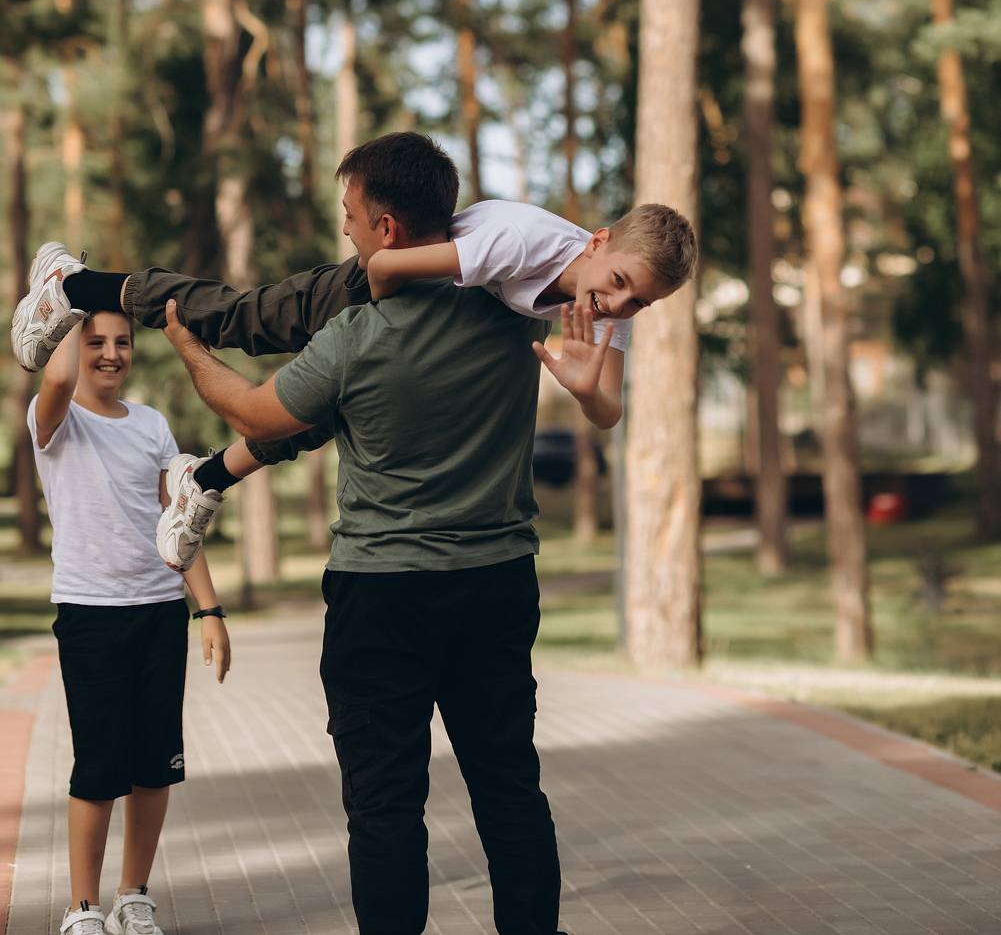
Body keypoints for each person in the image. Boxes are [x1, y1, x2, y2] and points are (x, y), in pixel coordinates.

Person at [155, 131, 576, 935]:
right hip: (495, 586)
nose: (344, 229)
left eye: (350, 216)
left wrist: (187, 347)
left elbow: (252, 415)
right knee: (509, 789)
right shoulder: (509, 311)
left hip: (381, 597)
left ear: (386, 229)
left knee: (383, 805)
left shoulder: (353, 337)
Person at [11, 135, 696, 568]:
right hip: (385, 277)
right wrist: (376, 325)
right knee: (242, 322)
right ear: (598, 242)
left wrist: (584, 389)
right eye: (619, 284)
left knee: (332, 409)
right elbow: (387, 267)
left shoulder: (605, 311)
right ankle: (73, 285)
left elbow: (608, 411)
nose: (620, 306)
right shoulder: (519, 241)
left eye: (639, 302)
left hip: (429, 286)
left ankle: (207, 478)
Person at [29, 309, 231, 935]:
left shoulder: (151, 425)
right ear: (74, 343)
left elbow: (180, 524)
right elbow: (57, 377)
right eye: (95, 342)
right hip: (91, 615)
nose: (111, 354)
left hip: (160, 612)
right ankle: (82, 908)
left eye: (122, 342)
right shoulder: (54, 419)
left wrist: (209, 609)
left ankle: (133, 897)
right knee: (98, 767)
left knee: (154, 766)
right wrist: (71, 295)